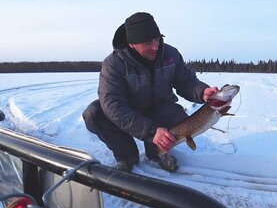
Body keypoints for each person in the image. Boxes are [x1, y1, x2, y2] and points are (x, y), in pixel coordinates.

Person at [82, 12, 218, 172]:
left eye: (157, 39)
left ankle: (158, 153)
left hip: (160, 109)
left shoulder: (171, 54)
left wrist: (202, 92)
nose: (155, 46)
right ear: (132, 43)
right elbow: (113, 105)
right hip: (130, 112)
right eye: (147, 43)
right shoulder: (113, 64)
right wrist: (151, 132)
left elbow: (185, 81)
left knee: (176, 115)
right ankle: (127, 156)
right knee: (94, 114)